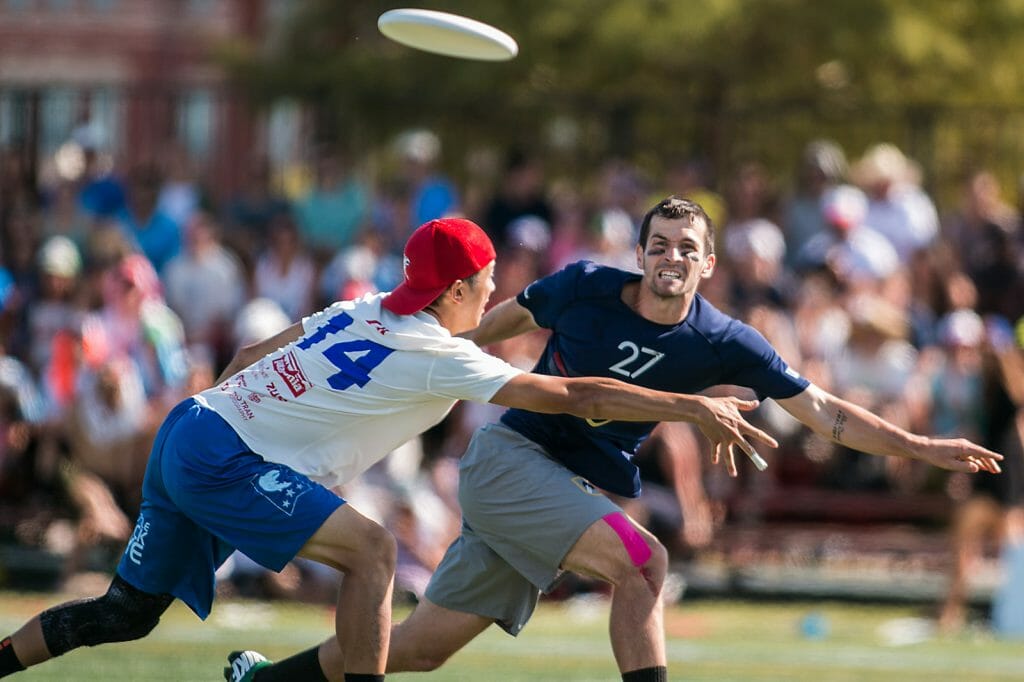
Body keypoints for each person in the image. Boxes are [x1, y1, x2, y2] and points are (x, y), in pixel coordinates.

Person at [241, 197, 1004, 682]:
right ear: (641, 254)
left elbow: (824, 410)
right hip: (510, 461)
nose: (673, 257)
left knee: (416, 650)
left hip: (560, 490)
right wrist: (397, 367)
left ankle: (262, 681)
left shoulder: (727, 343)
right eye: (660, 244)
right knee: (645, 563)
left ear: (708, 263)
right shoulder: (581, 288)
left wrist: (923, 447)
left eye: (687, 247)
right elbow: (481, 329)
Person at [0, 217, 778, 682]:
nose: (493, 292)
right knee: (372, 550)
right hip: (220, 457)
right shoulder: (443, 353)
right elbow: (579, 396)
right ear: (451, 292)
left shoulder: (363, 305)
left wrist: (238, 429)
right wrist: (687, 404)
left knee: (126, 614)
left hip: (191, 426)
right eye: (485, 280)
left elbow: (248, 357)